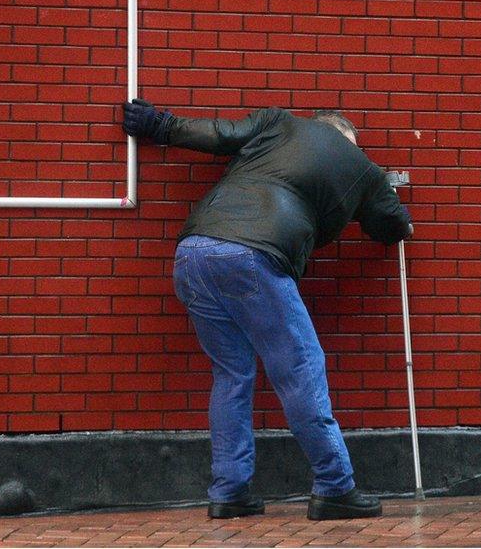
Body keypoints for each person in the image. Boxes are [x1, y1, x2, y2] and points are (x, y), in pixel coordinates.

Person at [122, 100, 412, 521]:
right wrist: (402, 221)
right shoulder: (362, 166)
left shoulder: (277, 122)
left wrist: (161, 126)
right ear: (347, 138)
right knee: (301, 367)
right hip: (254, 257)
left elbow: (219, 135)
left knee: (232, 374)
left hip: (194, 252)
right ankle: (334, 486)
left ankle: (229, 493)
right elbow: (389, 225)